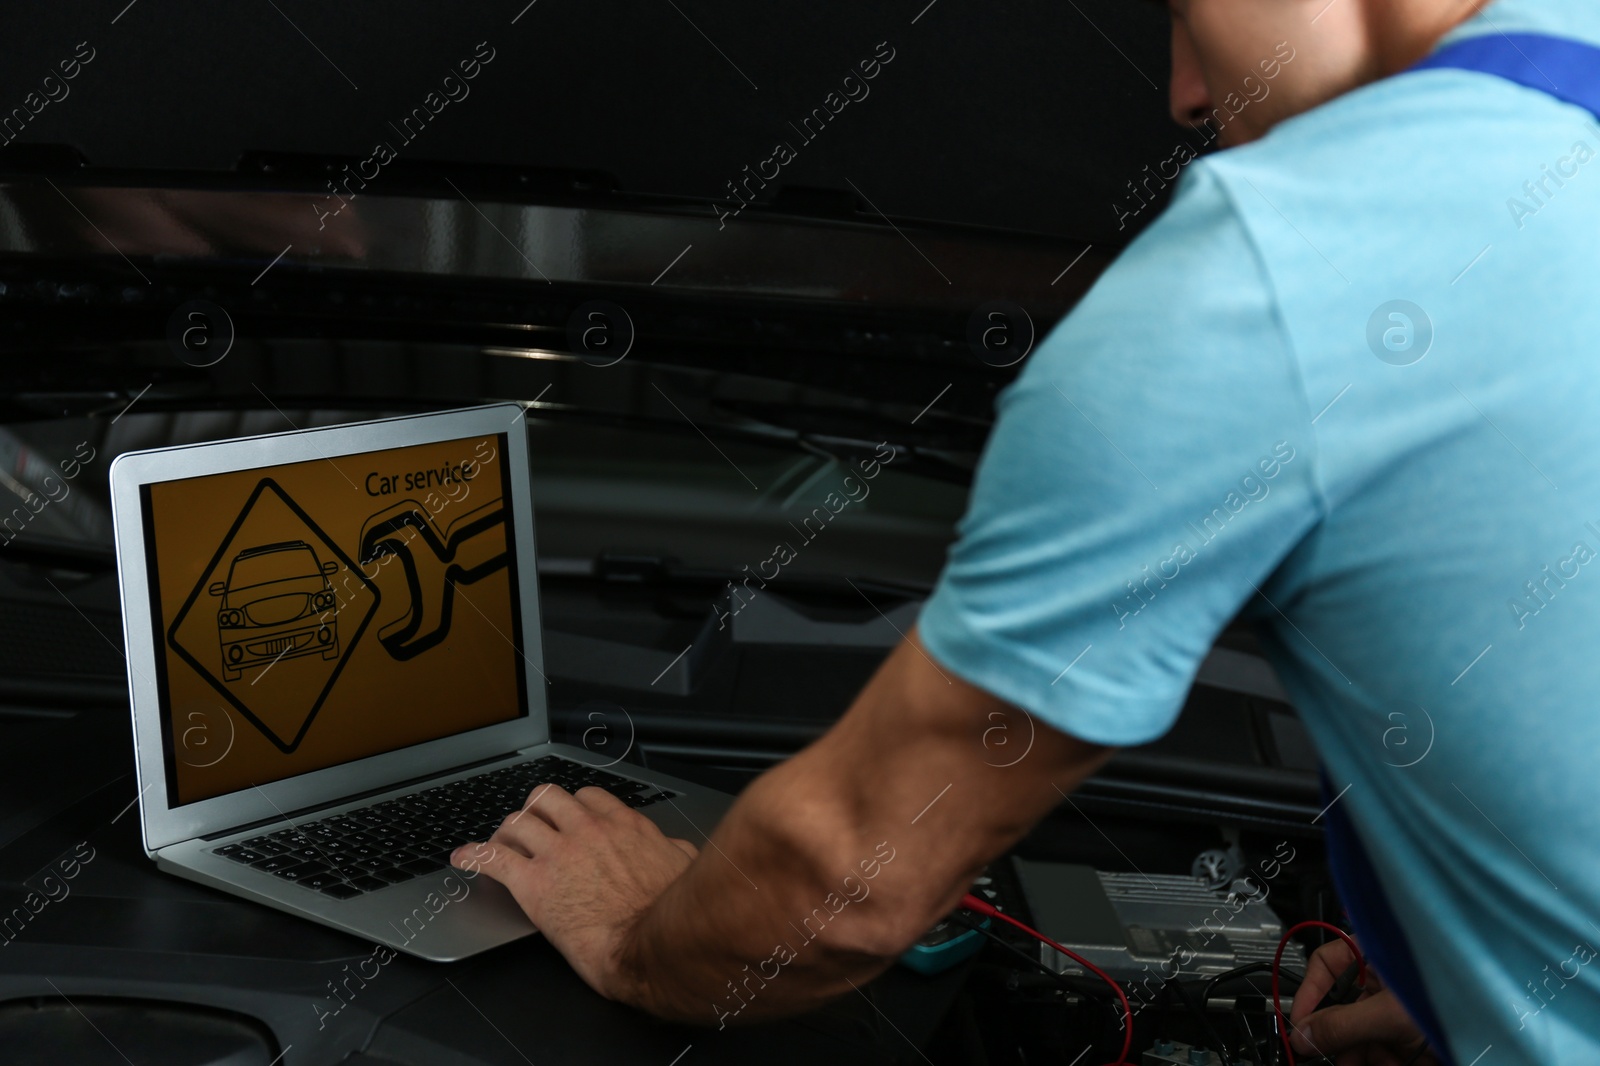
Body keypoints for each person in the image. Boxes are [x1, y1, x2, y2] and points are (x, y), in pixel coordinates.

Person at [455, 0, 1600, 1060]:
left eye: (1184, 10)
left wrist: (625, 934)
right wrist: (1484, 963)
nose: (1184, 93)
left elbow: (844, 876)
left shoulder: (1290, 258)